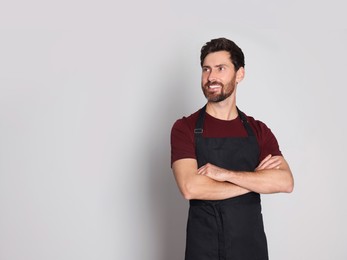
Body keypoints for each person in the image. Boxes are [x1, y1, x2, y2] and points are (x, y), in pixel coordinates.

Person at [170, 37, 294, 260]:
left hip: (251, 249)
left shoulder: (258, 131)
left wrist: (225, 175)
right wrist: (254, 181)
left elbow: (285, 182)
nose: (211, 77)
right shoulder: (185, 127)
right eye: (206, 69)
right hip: (203, 248)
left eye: (221, 68)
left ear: (240, 74)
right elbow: (190, 187)